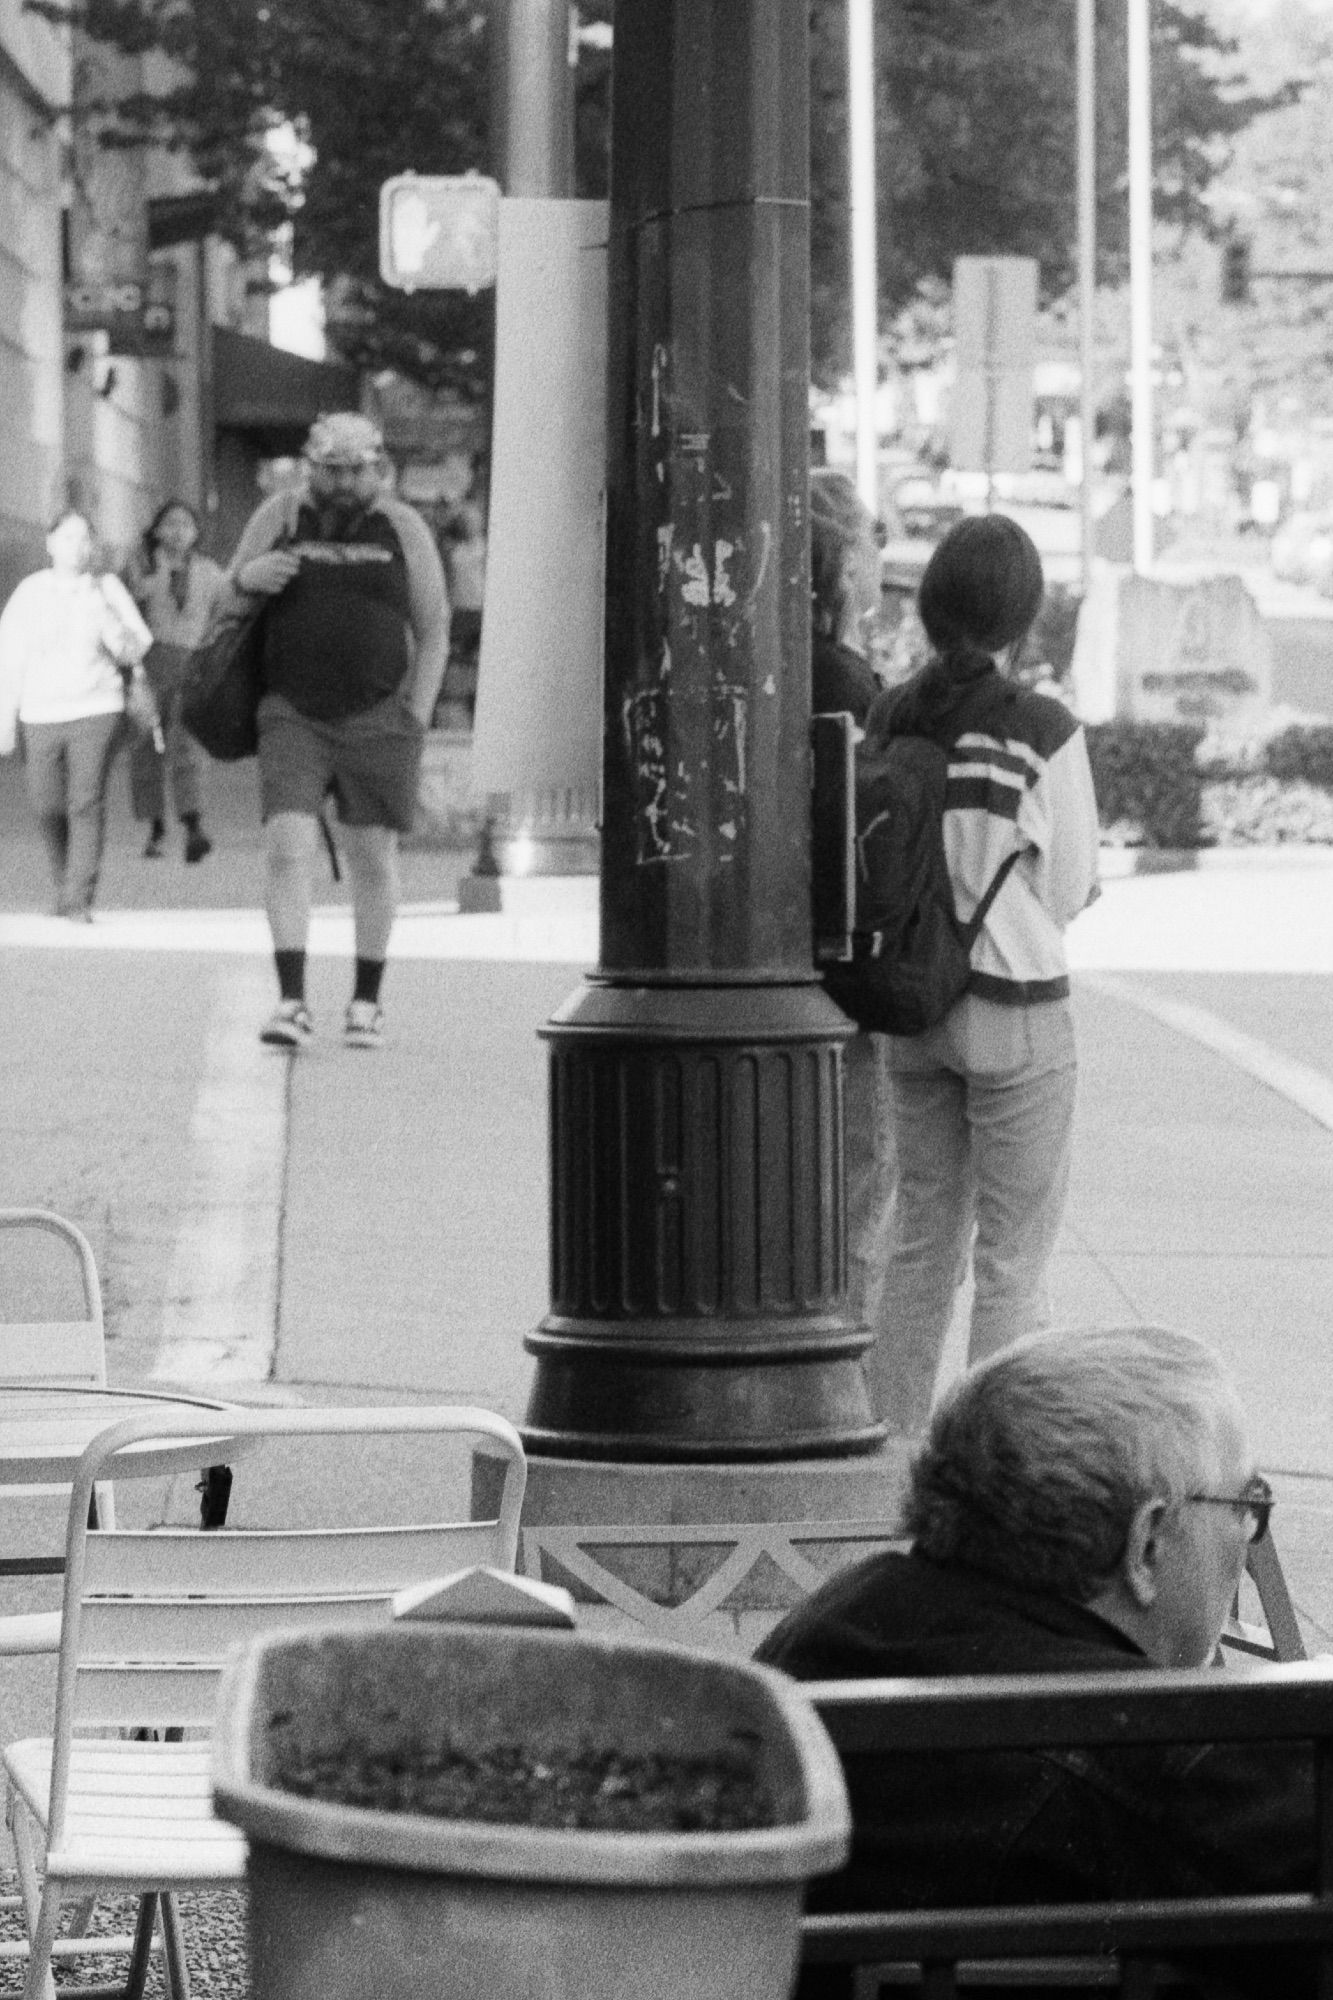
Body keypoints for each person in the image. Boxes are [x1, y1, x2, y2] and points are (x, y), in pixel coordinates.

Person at [758, 1325, 1314, 2000]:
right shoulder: (1156, 1749)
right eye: (1246, 1503)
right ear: (1145, 1543)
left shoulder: (839, 1619)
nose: (1247, 1534)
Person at [866, 513, 1099, 1432]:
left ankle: (884, 1450)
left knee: (921, 1241)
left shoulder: (889, 714)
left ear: (929, 607)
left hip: (910, 1010)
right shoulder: (1039, 727)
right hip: (1014, 1011)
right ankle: (991, 1464)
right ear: (1021, 615)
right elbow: (1070, 884)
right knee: (1011, 1260)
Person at [226, 412, 450, 1050]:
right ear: (311, 466)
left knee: (373, 855)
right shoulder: (280, 517)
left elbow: (433, 625)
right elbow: (226, 597)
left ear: (377, 469)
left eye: (358, 469)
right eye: (333, 469)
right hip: (291, 709)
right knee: (286, 841)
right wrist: (248, 578)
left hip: (381, 714)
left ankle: (366, 999)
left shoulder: (402, 526)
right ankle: (292, 999)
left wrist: (419, 709)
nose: (346, 481)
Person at [808, 471, 895, 1362]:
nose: (882, 557)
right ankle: (844, 1373)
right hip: (841, 974)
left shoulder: (791, 660)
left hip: (799, 968)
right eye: (871, 540)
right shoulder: (839, 679)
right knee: (861, 1187)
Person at [0, 508, 152, 920]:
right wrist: (5, 716)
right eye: (67, 537)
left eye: (85, 538)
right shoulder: (30, 591)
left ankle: (78, 897)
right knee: (45, 805)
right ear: (49, 543)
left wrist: (112, 628)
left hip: (96, 708)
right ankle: (64, 882)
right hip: (40, 712)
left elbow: (139, 643)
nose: (77, 546)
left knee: (86, 802)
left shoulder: (107, 588)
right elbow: (9, 656)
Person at [123, 498, 227, 862]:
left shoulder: (213, 574)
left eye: (186, 524)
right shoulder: (142, 569)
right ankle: (155, 827)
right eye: (170, 523)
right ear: (156, 530)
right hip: (151, 665)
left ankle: (193, 824)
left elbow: (223, 620)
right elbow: (122, 615)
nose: (178, 531)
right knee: (147, 746)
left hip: (194, 667)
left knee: (189, 748)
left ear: (197, 532)